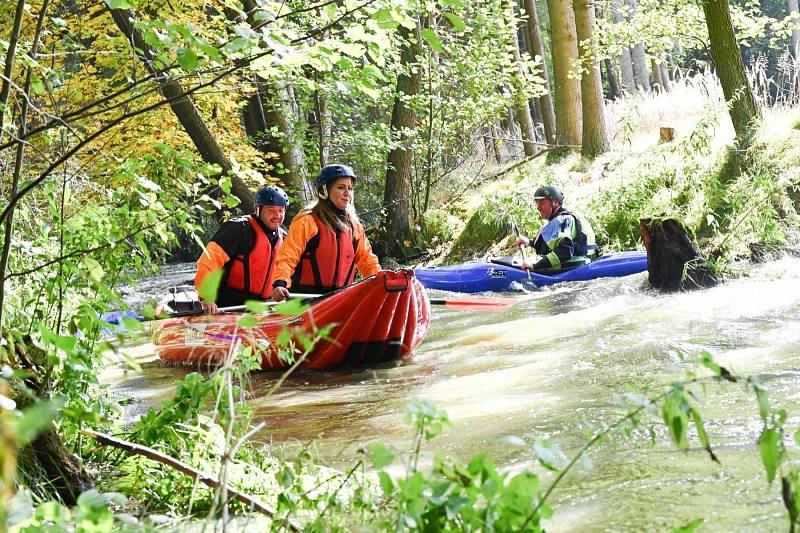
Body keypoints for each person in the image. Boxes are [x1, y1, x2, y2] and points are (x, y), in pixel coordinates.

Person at [270, 164, 381, 302]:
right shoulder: (307, 221)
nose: (347, 193)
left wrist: (381, 281)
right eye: (341, 187)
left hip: (340, 299)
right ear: (324, 190)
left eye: (350, 188)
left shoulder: (354, 226)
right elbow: (288, 257)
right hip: (305, 299)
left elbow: (367, 261)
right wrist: (280, 282)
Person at [195, 185, 289, 313]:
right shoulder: (238, 229)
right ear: (258, 209)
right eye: (271, 210)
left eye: (281, 210)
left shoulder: (283, 236)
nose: (277, 215)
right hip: (226, 305)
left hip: (261, 306)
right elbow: (209, 261)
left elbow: (286, 268)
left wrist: (280, 287)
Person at [515, 185, 598, 272]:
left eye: (542, 203)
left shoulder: (561, 220)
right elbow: (550, 245)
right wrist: (528, 242)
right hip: (585, 263)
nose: (538, 208)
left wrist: (535, 266)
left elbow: (565, 251)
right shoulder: (567, 217)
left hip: (571, 268)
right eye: (537, 203)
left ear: (556, 203)